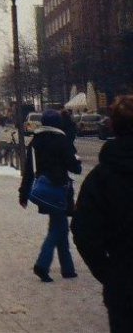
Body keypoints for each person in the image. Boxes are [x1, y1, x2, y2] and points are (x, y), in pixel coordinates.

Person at [72, 95, 133, 331]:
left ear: (113, 126)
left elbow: (83, 232)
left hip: (124, 285)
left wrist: (109, 274)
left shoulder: (100, 178)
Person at [19, 108, 82, 282]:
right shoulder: (62, 140)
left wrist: (23, 194)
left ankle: (67, 268)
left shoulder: (36, 141)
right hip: (59, 189)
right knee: (58, 228)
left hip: (43, 190)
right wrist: (77, 164)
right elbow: (74, 166)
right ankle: (42, 264)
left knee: (58, 225)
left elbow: (29, 171)